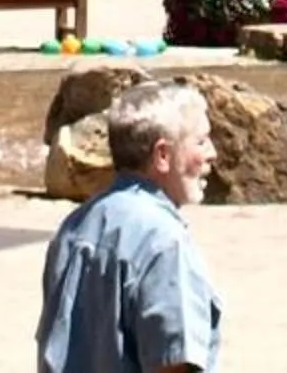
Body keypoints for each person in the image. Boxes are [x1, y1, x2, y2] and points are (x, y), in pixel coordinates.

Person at [37, 80, 223, 373]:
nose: (212, 153)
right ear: (163, 155)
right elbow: (172, 365)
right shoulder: (164, 241)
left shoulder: (76, 226)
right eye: (201, 141)